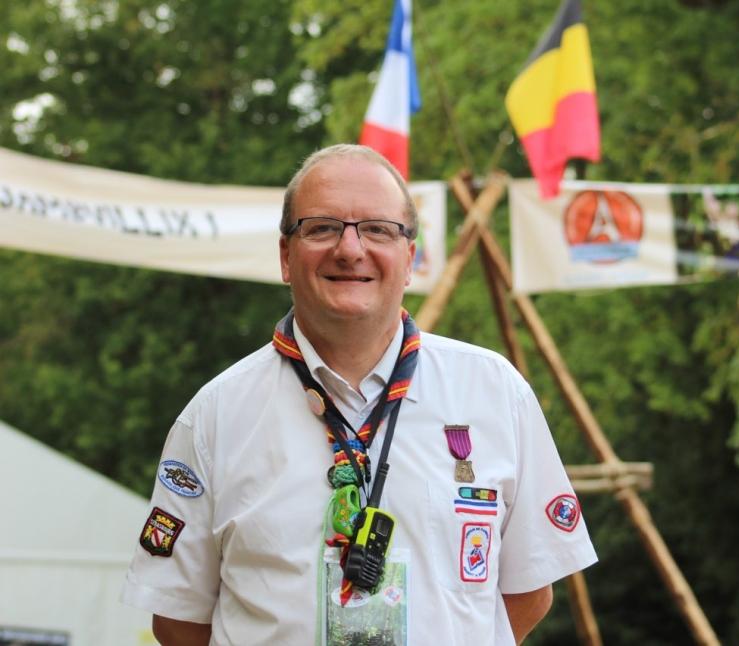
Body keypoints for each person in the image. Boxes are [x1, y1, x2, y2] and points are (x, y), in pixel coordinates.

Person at [121, 144, 597, 645]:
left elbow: (530, 590)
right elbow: (178, 619)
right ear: (286, 255)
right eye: (322, 228)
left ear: (409, 258)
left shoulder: (495, 392)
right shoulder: (215, 417)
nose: (350, 250)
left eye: (377, 229)